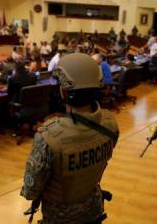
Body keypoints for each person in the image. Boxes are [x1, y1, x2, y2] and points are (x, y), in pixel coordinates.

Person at [20, 53, 119, 224]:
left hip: (60, 217)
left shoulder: (48, 138)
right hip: (94, 208)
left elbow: (31, 191)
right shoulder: (110, 124)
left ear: (65, 92)